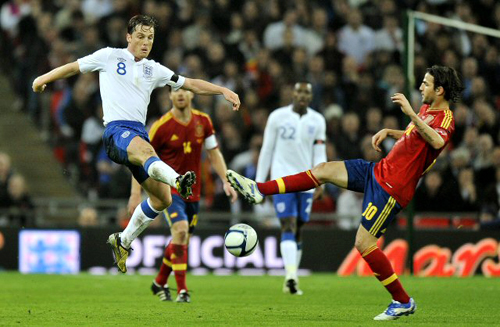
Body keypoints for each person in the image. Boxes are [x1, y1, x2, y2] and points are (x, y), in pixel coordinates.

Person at [227, 65, 463, 320]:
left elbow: (437, 142)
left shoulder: (446, 118)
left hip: (392, 188)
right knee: (323, 169)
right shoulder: (427, 109)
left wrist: (410, 113)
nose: (420, 87)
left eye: (426, 84)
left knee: (363, 244)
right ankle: (259, 189)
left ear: (439, 90)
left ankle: (402, 300)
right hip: (378, 171)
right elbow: (416, 137)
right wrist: (391, 132)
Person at [32, 15, 240, 273]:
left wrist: (223, 90)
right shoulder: (109, 56)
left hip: (137, 134)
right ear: (129, 37)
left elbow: (191, 84)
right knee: (148, 151)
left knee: (162, 200)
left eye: (150, 37)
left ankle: (123, 240)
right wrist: (42, 79)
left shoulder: (154, 69)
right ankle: (178, 180)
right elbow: (74, 67)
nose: (145, 42)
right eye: (140, 36)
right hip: (116, 131)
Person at [128, 88, 237, 302]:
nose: (180, 94)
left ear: (192, 95)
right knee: (180, 230)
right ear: (169, 96)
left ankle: (159, 282)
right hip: (170, 190)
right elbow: (140, 158)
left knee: (182, 239)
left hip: (194, 193)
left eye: (184, 90)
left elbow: (214, 153)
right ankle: (182, 291)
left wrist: (226, 180)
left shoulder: (203, 122)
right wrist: (135, 192)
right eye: (175, 90)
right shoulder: (161, 126)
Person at [255, 82, 326, 295]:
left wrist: (321, 179)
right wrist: (259, 184)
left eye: (306, 92)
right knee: (288, 223)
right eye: (299, 92)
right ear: (292, 94)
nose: (302, 96)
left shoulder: (318, 120)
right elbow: (266, 150)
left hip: (307, 180)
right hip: (282, 179)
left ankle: (291, 277)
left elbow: (319, 152)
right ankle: (291, 276)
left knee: (298, 228)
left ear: (311, 97)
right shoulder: (277, 117)